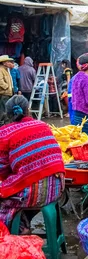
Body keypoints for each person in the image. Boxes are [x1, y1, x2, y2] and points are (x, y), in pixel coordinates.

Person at [0, 95, 65, 229]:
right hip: (57, 187)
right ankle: (24, 223)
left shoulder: (5, 133)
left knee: (5, 195)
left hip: (33, 192)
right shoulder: (42, 125)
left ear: (7, 114)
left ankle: (18, 229)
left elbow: (2, 169)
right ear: (27, 110)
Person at [0, 56, 15, 123]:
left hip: (8, 93)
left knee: (7, 109)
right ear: (4, 63)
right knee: (4, 110)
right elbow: (0, 81)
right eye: (7, 61)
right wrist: (6, 87)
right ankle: (2, 123)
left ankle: (5, 122)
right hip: (4, 93)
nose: (9, 63)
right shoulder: (1, 70)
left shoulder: (6, 70)